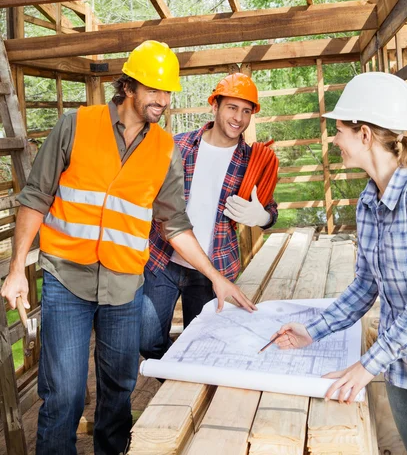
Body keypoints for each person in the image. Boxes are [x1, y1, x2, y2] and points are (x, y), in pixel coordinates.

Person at [0, 41, 255, 455]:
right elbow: (35, 198)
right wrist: (15, 271)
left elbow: (174, 224)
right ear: (129, 87)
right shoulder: (76, 125)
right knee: (63, 395)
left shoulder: (164, 149)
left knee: (119, 391)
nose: (162, 100)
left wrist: (215, 277)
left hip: (124, 285)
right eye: (153, 89)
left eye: (167, 91)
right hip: (67, 279)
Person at [272, 72, 407, 455]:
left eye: (340, 130)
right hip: (398, 365)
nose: (335, 139)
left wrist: (367, 365)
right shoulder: (368, 200)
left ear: (364, 135)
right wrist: (312, 330)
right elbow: (365, 286)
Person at [140, 72, 278, 360]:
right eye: (232, 107)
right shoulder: (177, 146)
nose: (238, 117)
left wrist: (262, 216)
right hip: (163, 261)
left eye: (246, 111)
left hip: (211, 272)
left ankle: (187, 385)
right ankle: (178, 377)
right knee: (146, 339)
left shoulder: (251, 161)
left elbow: (271, 211)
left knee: (201, 347)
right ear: (215, 106)